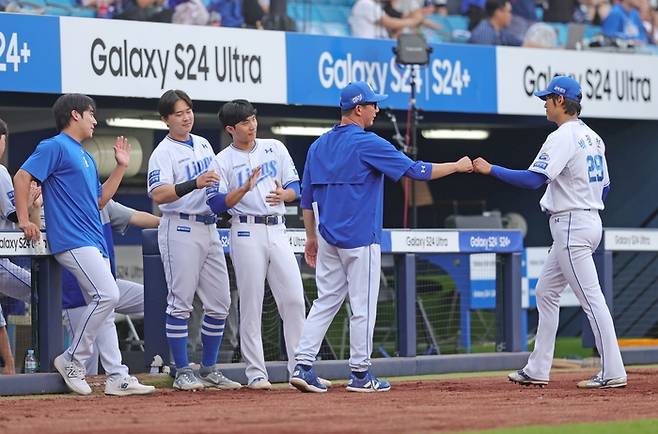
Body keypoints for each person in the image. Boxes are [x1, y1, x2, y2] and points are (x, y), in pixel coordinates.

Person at [290, 81, 473, 393]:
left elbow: (306, 199)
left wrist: (311, 237)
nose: (377, 110)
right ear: (359, 109)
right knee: (362, 307)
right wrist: (457, 165)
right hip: (361, 238)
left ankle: (302, 365)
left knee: (325, 302)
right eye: (373, 105)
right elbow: (417, 171)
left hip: (328, 238)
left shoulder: (318, 145)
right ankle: (361, 374)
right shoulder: (367, 142)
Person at [472, 75, 627, 389]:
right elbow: (606, 188)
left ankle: (613, 371)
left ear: (560, 101)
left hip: (572, 223)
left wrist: (491, 169)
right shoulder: (593, 137)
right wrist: (586, 205)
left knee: (591, 299)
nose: (544, 104)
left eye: (547, 99)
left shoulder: (564, 136)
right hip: (585, 220)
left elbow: (533, 180)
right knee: (546, 292)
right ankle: (538, 368)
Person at [13, 93, 154, 396]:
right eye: (91, 113)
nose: (95, 119)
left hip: (94, 240)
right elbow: (22, 176)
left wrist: (120, 167)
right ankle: (72, 358)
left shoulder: (86, 156)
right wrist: (25, 219)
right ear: (75, 115)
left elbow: (100, 200)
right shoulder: (53, 146)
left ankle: (117, 376)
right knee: (108, 295)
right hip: (73, 240)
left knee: (105, 305)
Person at [207, 99, 330, 390]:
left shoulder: (274, 146)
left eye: (253, 119)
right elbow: (214, 203)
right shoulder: (221, 160)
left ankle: (300, 368)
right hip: (245, 229)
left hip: (277, 228)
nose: (252, 125)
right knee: (251, 302)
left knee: (294, 299)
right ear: (230, 128)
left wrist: (285, 196)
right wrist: (243, 189)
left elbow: (295, 187)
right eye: (245, 122)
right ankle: (256, 373)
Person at [147, 89, 241, 391]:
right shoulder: (162, 152)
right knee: (180, 303)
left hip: (209, 227)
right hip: (180, 227)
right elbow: (158, 195)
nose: (186, 116)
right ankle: (182, 370)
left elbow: (215, 184)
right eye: (178, 113)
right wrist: (194, 183)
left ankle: (209, 368)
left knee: (220, 302)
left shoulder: (202, 144)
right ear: (166, 120)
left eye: (188, 110)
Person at [63, 200, 160, 376]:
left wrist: (170, 223)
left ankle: (159, 365)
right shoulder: (63, 202)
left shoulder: (101, 201)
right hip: (75, 292)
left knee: (156, 300)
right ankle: (83, 401)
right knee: (86, 364)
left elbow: (136, 216)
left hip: (108, 286)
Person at [349, 0, 428, 39]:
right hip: (364, 46)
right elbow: (390, 23)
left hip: (379, 46)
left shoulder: (378, 6)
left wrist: (413, 16)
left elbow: (395, 29)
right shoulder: (364, 3)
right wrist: (413, 21)